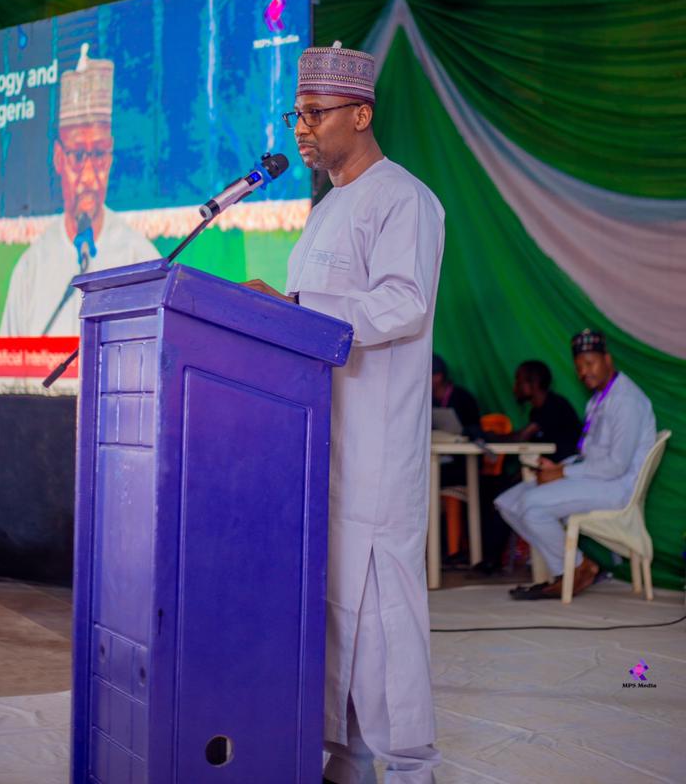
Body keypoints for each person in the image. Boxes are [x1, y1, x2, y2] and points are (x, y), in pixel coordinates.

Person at [244, 42, 445, 784]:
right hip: (321, 443)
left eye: (315, 114)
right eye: (296, 115)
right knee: (334, 611)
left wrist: (295, 307)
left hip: (376, 450)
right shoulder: (325, 212)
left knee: (384, 615)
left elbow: (403, 303)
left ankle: (410, 768)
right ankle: (347, 761)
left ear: (360, 115)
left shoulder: (405, 200)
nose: (301, 129)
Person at [0, 44, 160, 338]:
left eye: (98, 155)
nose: (88, 176)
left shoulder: (139, 256)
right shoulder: (31, 267)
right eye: (77, 156)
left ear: (110, 158)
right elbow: (7, 361)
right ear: (59, 158)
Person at [495, 330, 657, 600]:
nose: (584, 372)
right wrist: (556, 467)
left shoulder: (625, 401)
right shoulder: (599, 398)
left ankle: (572, 571)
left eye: (590, 363)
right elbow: (589, 455)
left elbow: (616, 466)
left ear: (607, 360)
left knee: (532, 505)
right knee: (508, 503)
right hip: (594, 478)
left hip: (616, 487)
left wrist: (562, 472)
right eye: (579, 366)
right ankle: (580, 566)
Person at [473, 360, 581, 575]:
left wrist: (491, 437)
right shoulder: (538, 410)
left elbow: (522, 437)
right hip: (545, 473)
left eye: (519, 381)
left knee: (504, 495)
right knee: (500, 495)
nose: (515, 387)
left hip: (564, 474)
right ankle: (562, 568)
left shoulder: (553, 406)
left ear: (533, 383)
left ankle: (572, 567)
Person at [432, 354, 480, 438]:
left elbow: (475, 426)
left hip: (462, 443)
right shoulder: (425, 399)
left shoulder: (463, 397)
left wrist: (465, 432)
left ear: (439, 376)